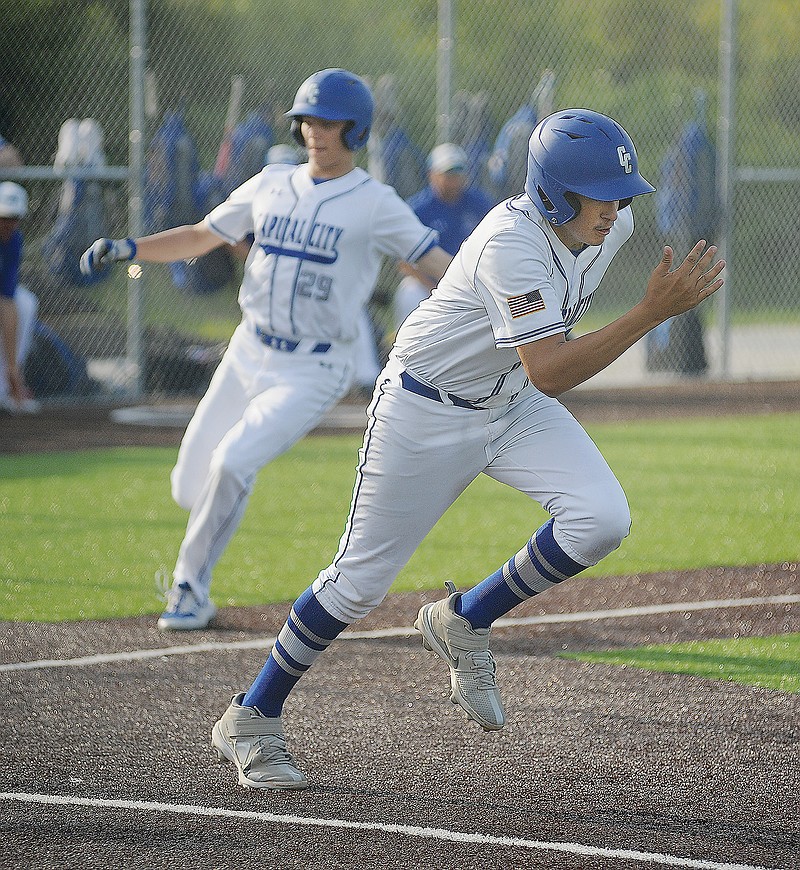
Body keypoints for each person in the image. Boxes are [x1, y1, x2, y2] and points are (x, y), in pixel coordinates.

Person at [207, 108, 724, 791]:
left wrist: (649, 297)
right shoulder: (510, 242)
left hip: (510, 403)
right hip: (425, 410)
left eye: (622, 190)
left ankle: (465, 619)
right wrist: (649, 313)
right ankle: (251, 717)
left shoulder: (611, 223)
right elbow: (553, 369)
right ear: (553, 193)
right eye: (601, 190)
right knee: (358, 582)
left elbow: (535, 377)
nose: (618, 206)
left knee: (601, 519)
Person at [79, 68, 451, 631]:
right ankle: (206, 537)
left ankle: (189, 588)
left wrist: (492, 307)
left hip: (315, 365)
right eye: (306, 121)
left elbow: (435, 265)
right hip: (247, 349)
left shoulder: (377, 203)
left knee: (233, 463)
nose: (314, 133)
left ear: (356, 131)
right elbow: (203, 234)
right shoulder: (270, 183)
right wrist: (132, 245)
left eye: (328, 123)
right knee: (190, 485)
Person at [394, 142, 495, 329]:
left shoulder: (478, 203)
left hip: (472, 284)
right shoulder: (418, 209)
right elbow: (404, 263)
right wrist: (435, 290)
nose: (454, 179)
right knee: (408, 293)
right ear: (432, 174)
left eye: (458, 173)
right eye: (448, 173)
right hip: (427, 284)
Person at [0, 182, 39, 414]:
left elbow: (7, 300)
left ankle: (6, 387)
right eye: (4, 217)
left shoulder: (14, 241)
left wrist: (13, 368)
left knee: (25, 302)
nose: (9, 223)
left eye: (14, 218)